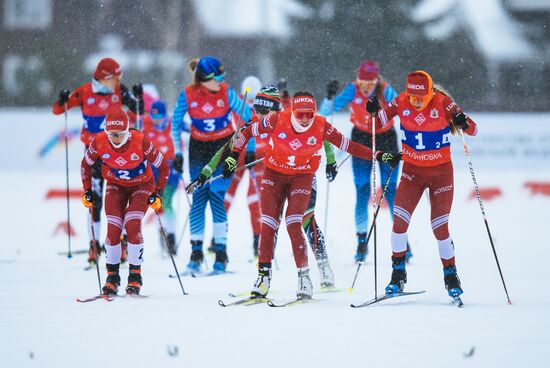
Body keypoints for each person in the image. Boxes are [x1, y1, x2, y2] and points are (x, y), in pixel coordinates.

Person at [222, 91, 401, 299]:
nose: (305, 119)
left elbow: (348, 145)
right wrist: (233, 157)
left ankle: (304, 278)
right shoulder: (276, 119)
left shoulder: (321, 125)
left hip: (303, 177)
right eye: (300, 115)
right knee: (269, 223)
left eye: (310, 114)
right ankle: (263, 277)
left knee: (295, 222)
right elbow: (245, 133)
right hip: (274, 176)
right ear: (293, 112)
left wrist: (378, 155)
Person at [366, 70, 477, 298]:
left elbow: (473, 130)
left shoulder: (443, 102)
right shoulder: (401, 100)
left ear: (429, 93)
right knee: (399, 223)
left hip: (441, 175)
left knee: (439, 227)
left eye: (421, 97)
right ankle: (397, 276)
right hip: (412, 173)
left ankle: (451, 275)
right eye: (413, 97)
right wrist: (373, 110)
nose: (416, 102)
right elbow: (379, 122)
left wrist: (462, 121)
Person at [319, 60, 412, 263]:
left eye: (370, 83)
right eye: (362, 82)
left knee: (390, 190)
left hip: (386, 140)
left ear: (377, 80)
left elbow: (405, 109)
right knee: (362, 189)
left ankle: (402, 240)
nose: (366, 86)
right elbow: (326, 111)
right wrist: (329, 96)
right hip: (361, 138)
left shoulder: (385, 91)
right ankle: (362, 242)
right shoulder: (353, 88)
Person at [52, 57, 143, 265]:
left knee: (117, 200)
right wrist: (62, 99)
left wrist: (138, 100)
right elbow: (58, 110)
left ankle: (119, 243)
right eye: (117, 77)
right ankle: (94, 244)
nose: (120, 80)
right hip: (93, 154)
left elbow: (138, 114)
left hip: (117, 155)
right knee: (95, 199)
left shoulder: (120, 91)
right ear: (105, 77)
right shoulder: (85, 91)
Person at [171, 56, 252, 273]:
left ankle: (221, 255)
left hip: (224, 147)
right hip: (198, 149)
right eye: (218, 78)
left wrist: (249, 147)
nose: (222, 81)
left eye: (223, 77)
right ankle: (196, 255)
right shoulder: (188, 94)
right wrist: (177, 153)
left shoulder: (226, 92)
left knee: (217, 196)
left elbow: (248, 117)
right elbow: (175, 123)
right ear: (205, 78)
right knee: (198, 197)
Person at [81, 109, 169, 295]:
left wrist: (158, 193)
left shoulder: (141, 141)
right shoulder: (99, 141)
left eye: (119, 134)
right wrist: (88, 189)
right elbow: (85, 165)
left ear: (127, 130)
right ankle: (112, 278)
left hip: (141, 186)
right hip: (115, 186)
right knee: (113, 228)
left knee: (132, 222)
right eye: (111, 134)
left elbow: (163, 167)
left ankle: (135, 277)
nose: (115, 138)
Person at [223, 76, 263, 256]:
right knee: (225, 196)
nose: (252, 103)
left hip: (257, 157)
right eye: (249, 99)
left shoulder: (266, 106)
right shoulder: (237, 104)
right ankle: (218, 240)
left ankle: (258, 240)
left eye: (256, 99)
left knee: (254, 199)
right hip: (237, 155)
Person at [143, 100, 181, 255]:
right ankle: (163, 232)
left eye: (159, 116)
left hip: (171, 169)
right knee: (159, 203)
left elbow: (186, 133)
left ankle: (171, 236)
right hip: (153, 170)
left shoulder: (173, 125)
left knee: (167, 200)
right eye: (154, 116)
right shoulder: (145, 125)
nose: (156, 119)